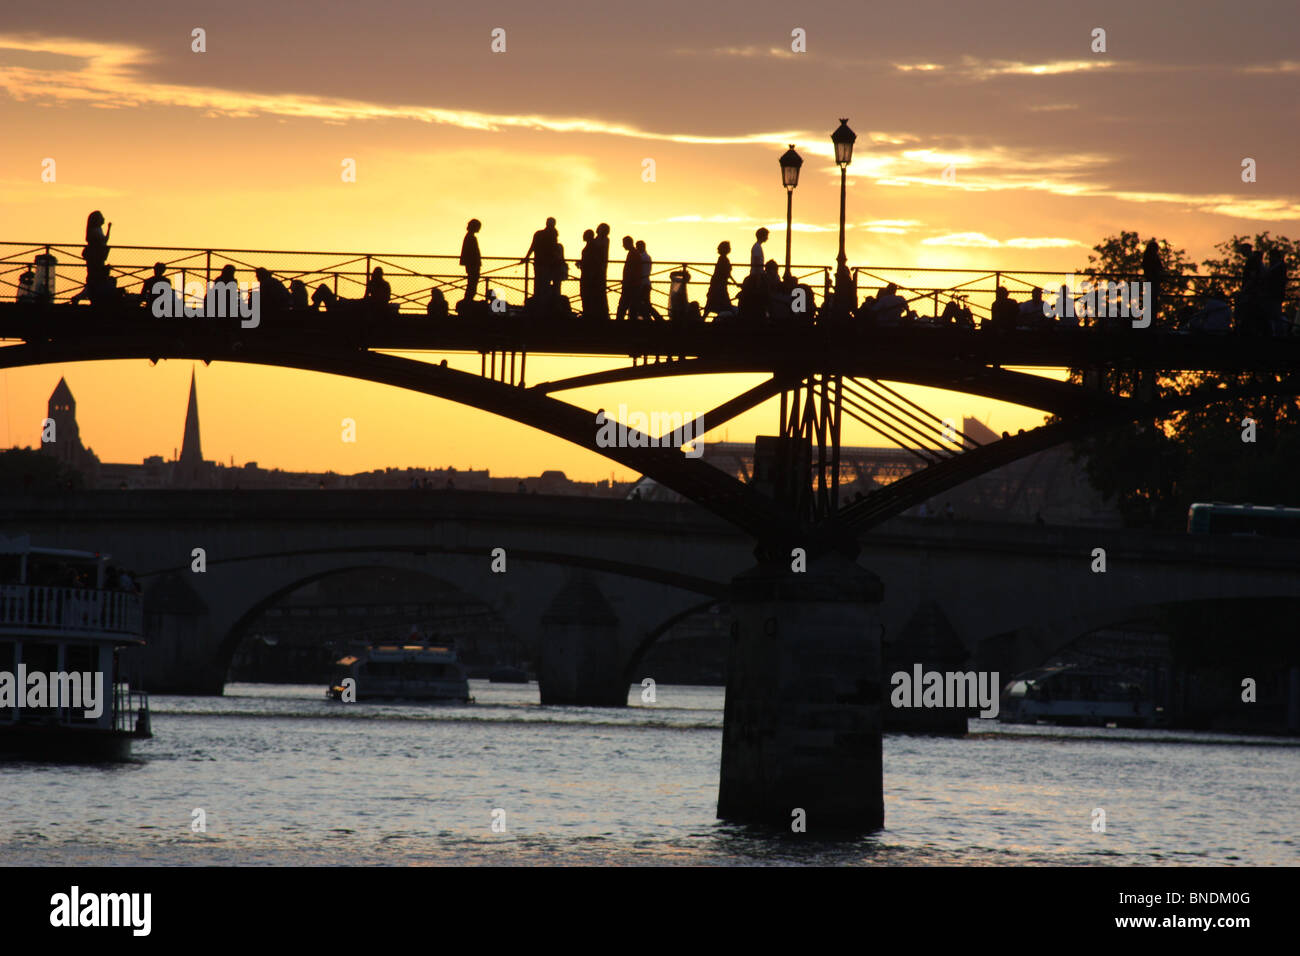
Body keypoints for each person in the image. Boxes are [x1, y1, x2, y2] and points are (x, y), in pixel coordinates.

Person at [74, 210, 112, 304]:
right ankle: (81, 297)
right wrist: (109, 228)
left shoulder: (96, 229)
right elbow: (104, 240)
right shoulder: (95, 231)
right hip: (96, 258)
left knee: (94, 281)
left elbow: (103, 240)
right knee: (95, 281)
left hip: (97, 258)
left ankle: (84, 297)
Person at [524, 217, 559, 299]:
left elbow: (532, 246)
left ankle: (538, 298)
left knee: (538, 282)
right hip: (548, 264)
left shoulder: (539, 234)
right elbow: (554, 249)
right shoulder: (553, 235)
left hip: (539, 263)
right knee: (545, 283)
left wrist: (526, 257)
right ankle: (544, 300)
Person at [704, 241, 737, 318]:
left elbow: (724, 274)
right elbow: (727, 274)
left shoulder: (721, 259)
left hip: (717, 284)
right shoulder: (724, 260)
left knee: (710, 304)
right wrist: (735, 283)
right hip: (720, 286)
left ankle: (704, 319)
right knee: (725, 304)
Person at [636, 240, 663, 321]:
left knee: (644, 303)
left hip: (643, 284)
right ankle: (652, 318)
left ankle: (655, 318)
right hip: (646, 283)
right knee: (645, 303)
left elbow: (642, 271)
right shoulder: (647, 257)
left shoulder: (642, 257)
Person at [578, 229, 602, 319]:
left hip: (589, 276)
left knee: (587, 295)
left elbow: (593, 261)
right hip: (588, 274)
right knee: (587, 296)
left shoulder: (592, 246)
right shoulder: (593, 246)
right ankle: (588, 314)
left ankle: (588, 315)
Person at [1141, 238, 1164, 326]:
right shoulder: (1150, 257)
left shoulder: (1149, 256)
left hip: (1152, 282)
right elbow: (1159, 268)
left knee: (1152, 302)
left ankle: (1151, 321)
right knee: (1152, 303)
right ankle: (1151, 322)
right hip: (1152, 282)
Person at [617, 236, 639, 320]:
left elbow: (631, 270)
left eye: (624, 244)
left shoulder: (632, 254)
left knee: (623, 306)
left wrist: (627, 281)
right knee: (632, 307)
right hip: (632, 284)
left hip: (630, 285)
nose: (623, 246)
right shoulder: (634, 253)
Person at [592, 223, 611, 319]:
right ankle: (602, 312)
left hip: (598, 269)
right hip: (600, 269)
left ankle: (601, 313)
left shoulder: (602, 240)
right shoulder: (604, 240)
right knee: (599, 292)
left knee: (598, 292)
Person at [460, 219, 482, 302]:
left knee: (471, 283)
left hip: (472, 264)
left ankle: (468, 299)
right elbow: (473, 253)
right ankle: (468, 299)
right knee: (472, 284)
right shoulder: (471, 238)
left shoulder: (469, 237)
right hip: (473, 265)